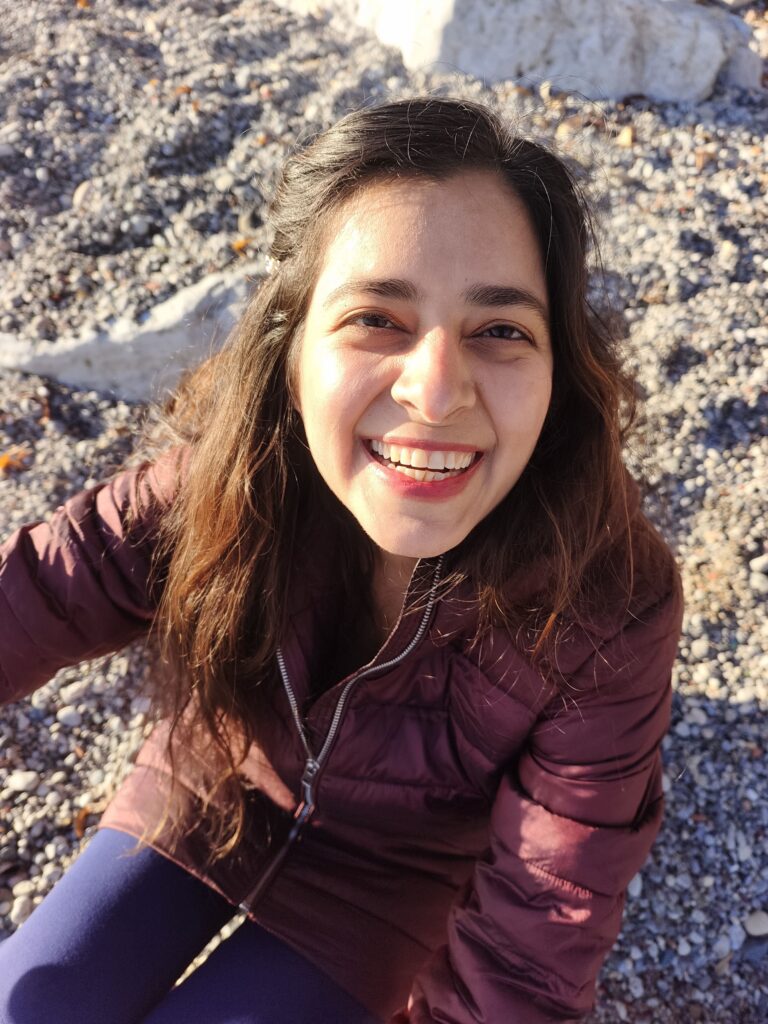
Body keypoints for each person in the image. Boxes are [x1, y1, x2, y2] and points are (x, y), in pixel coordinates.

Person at [0, 97, 682, 1024]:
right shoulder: (231, 479)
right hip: (206, 788)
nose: (435, 392)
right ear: (291, 355)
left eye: (500, 330)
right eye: (376, 318)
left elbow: (537, 936)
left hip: (389, 884)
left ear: (559, 371)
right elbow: (42, 590)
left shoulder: (610, 605)